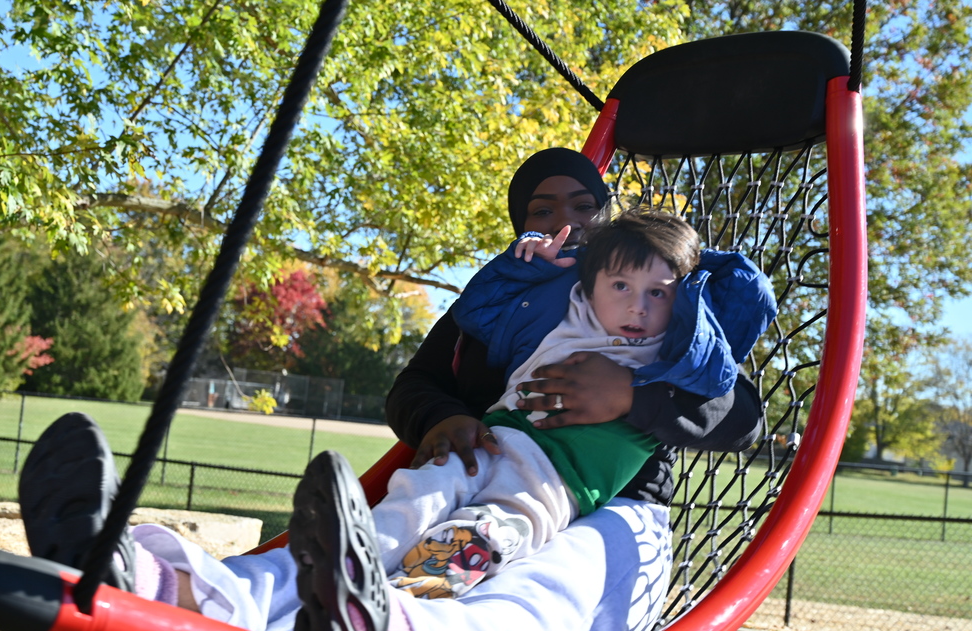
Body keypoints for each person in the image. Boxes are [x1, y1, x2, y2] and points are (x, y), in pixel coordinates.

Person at [19, 148, 766, 631]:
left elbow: (741, 415)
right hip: (482, 459)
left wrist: (629, 395)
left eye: (584, 207)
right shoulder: (512, 304)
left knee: (526, 583)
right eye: (544, 212)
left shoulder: (664, 325)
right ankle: (156, 579)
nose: (565, 224)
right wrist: (443, 418)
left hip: (604, 507)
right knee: (367, 539)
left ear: (610, 225)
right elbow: (411, 387)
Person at [322, 208, 773, 603]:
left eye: (657, 293)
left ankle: (426, 585)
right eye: (621, 286)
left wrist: (631, 391)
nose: (638, 307)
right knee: (426, 488)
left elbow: (737, 404)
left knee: (509, 520)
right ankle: (353, 555)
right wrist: (526, 266)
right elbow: (476, 311)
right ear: (589, 282)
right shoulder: (569, 306)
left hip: (562, 474)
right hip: (495, 438)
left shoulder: (673, 347)